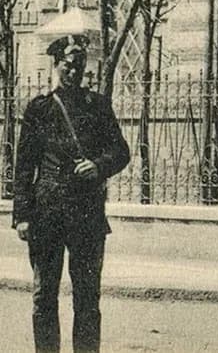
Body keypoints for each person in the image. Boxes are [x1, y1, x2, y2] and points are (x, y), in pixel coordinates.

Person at [12, 33, 130, 353]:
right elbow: (24, 166)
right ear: (55, 66)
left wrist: (98, 166)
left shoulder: (98, 106)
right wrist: (22, 215)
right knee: (44, 297)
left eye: (79, 65)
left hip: (87, 215)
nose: (74, 71)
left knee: (88, 298)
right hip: (46, 214)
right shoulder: (40, 109)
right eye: (67, 65)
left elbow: (121, 151)